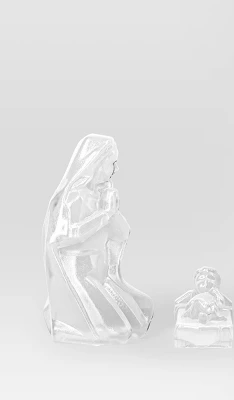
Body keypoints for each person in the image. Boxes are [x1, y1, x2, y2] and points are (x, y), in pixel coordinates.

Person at [43, 134, 153, 344]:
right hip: (80, 274)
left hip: (100, 272)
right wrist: (105, 214)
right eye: (112, 163)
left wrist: (113, 213)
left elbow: (121, 232)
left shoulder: (100, 193)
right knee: (117, 330)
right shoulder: (75, 196)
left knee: (142, 313)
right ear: (95, 163)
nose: (116, 169)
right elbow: (65, 237)